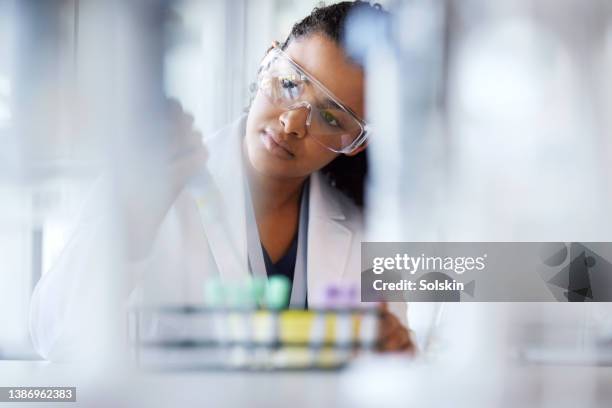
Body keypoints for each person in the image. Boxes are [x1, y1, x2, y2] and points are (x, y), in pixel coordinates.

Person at [29, 1, 415, 360]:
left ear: (356, 144)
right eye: (290, 84)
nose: (292, 122)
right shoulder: (156, 173)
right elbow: (53, 334)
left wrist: (396, 354)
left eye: (330, 118)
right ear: (268, 63)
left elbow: (389, 368)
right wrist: (136, 217)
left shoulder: (368, 233)